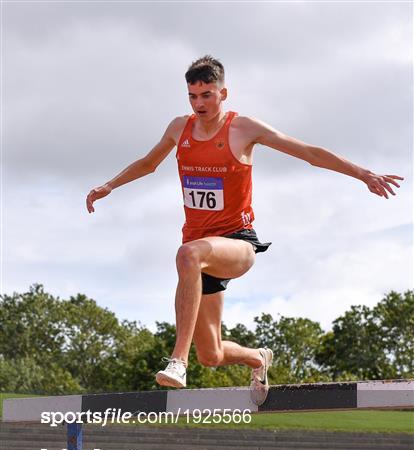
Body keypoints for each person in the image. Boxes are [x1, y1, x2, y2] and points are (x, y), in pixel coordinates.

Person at [86, 55, 403, 405]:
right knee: (212, 354)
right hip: (201, 254)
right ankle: (258, 358)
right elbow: (148, 163)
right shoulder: (180, 128)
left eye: (206, 95)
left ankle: (177, 361)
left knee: (187, 254)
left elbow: (309, 153)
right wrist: (109, 186)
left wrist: (364, 174)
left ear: (224, 93)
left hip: (236, 243)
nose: (198, 104)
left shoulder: (243, 129)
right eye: (192, 96)